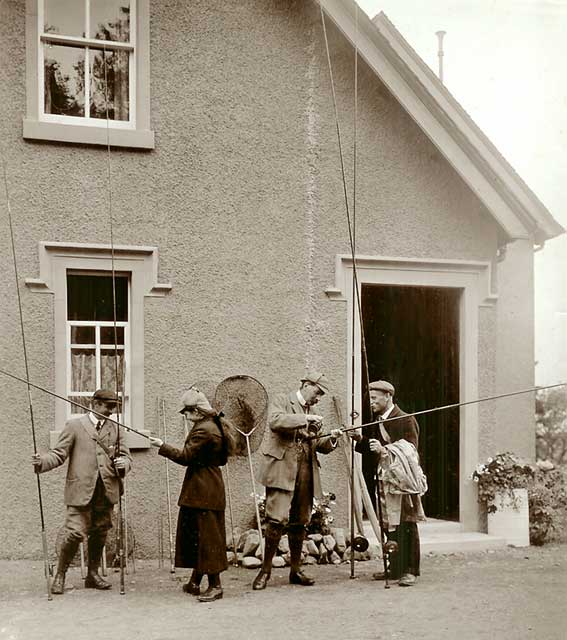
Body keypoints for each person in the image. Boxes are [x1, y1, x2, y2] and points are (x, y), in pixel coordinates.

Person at [31, 389, 131, 595]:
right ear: (94, 404)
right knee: (75, 533)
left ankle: (93, 575)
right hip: (80, 490)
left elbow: (126, 457)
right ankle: (60, 574)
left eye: (114, 407)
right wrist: (42, 462)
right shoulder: (75, 426)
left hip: (106, 489)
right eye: (107, 406)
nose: (111, 411)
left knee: (101, 531)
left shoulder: (117, 429)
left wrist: (124, 464)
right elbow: (59, 454)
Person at [252, 371, 342, 591]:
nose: (318, 398)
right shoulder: (283, 400)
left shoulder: (313, 412)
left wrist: (332, 438)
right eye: (317, 392)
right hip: (282, 470)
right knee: (276, 520)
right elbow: (275, 421)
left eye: (321, 394)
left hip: (306, 472)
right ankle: (265, 571)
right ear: (305, 385)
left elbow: (318, 444)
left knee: (300, 522)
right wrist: (305, 419)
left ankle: (295, 570)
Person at [149, 388, 236, 603]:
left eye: (187, 412)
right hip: (208, 487)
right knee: (201, 537)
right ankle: (195, 582)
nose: (185, 416)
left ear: (197, 411)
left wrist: (162, 446)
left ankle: (216, 587)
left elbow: (186, 457)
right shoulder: (215, 425)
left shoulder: (204, 430)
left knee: (207, 540)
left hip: (202, 490)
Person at [352, 380, 423, 586]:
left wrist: (385, 450)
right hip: (383, 481)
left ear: (388, 396)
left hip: (401, 482)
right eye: (370, 398)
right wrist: (359, 439)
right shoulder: (377, 420)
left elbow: (410, 453)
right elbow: (373, 448)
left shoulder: (405, 419)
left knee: (406, 524)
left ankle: (410, 570)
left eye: (374, 398)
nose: (371, 402)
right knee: (388, 524)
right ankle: (395, 567)